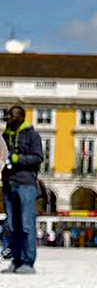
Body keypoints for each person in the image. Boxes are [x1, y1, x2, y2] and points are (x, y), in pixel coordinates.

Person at [1, 105, 44, 275]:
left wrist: (18, 158)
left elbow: (38, 157)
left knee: (26, 224)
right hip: (8, 183)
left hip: (26, 183)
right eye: (8, 115)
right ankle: (16, 260)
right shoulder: (5, 135)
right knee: (11, 225)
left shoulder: (32, 135)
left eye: (12, 115)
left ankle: (28, 262)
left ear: (21, 117)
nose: (9, 117)